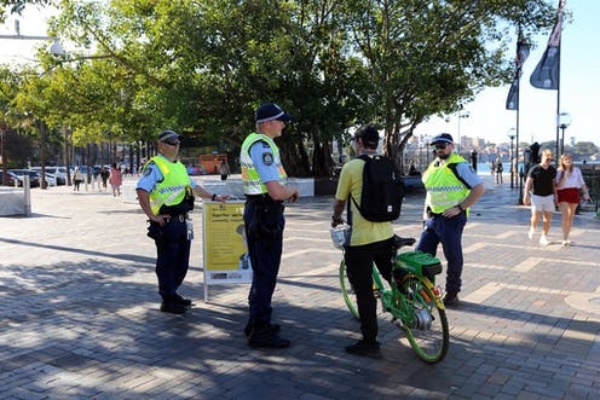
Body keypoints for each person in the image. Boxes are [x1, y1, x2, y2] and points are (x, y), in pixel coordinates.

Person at [136, 130, 229, 314]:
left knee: (181, 262)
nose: (176, 146)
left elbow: (194, 187)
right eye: (172, 143)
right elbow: (141, 190)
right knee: (167, 262)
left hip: (183, 222)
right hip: (168, 222)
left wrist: (214, 197)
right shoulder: (156, 166)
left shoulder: (179, 166)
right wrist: (152, 216)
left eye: (178, 143)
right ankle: (167, 298)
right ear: (161, 145)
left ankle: (173, 293)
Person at [331, 124, 394, 359]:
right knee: (392, 275)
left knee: (364, 291)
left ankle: (370, 341)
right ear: (375, 143)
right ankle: (410, 307)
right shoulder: (386, 163)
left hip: (361, 239)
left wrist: (335, 218)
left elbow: (339, 201)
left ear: (359, 142)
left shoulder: (351, 167)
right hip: (386, 234)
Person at [240, 103, 299, 349]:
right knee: (266, 273)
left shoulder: (254, 143)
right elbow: (275, 191)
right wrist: (291, 190)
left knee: (261, 270)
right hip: (266, 214)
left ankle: (256, 322)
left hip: (259, 211)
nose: (284, 124)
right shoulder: (261, 146)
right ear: (266, 124)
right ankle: (261, 330)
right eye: (280, 120)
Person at [416, 133, 485, 307]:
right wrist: (425, 214)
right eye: (437, 146)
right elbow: (430, 192)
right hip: (432, 219)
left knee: (453, 257)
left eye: (443, 145)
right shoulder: (433, 165)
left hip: (451, 219)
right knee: (421, 256)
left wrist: (460, 208)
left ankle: (452, 294)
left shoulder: (459, 165)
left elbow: (479, 188)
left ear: (451, 146)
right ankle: (425, 291)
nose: (439, 149)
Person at [523, 149, 557, 246]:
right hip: (536, 195)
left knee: (547, 218)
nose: (549, 162)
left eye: (550, 160)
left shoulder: (552, 170)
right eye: (547, 159)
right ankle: (533, 228)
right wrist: (526, 194)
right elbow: (528, 183)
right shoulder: (535, 169)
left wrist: (556, 195)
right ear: (542, 158)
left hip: (549, 196)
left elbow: (553, 184)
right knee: (536, 216)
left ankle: (544, 237)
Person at [556, 154, 590, 247]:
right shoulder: (559, 171)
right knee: (565, 215)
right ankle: (564, 238)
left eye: (569, 159)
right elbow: (557, 186)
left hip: (573, 192)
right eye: (565, 159)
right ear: (562, 161)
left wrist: (586, 193)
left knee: (571, 216)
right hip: (562, 192)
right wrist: (564, 176)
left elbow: (582, 183)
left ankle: (567, 236)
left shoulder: (576, 170)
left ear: (572, 161)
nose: (568, 161)